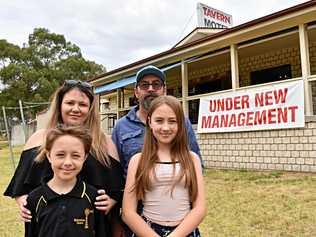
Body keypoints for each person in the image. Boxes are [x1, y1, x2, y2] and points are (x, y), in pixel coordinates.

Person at [4, 80, 124, 236]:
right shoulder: (39, 139)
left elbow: (118, 187)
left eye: (82, 104)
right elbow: (19, 187)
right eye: (70, 103)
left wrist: (111, 201)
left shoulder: (104, 142)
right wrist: (24, 203)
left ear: (90, 108)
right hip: (49, 225)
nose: (76, 109)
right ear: (60, 105)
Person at [122, 95, 206, 237]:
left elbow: (200, 208)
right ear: (150, 122)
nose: (165, 127)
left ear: (180, 123)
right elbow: (128, 212)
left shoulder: (192, 159)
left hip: (185, 231)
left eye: (172, 121)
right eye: (159, 121)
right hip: (147, 231)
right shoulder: (137, 160)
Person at [112, 65, 202, 176]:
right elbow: (114, 171)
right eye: (144, 85)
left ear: (164, 90)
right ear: (136, 92)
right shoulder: (121, 127)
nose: (150, 89)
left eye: (156, 84)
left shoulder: (182, 122)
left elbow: (196, 165)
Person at [25, 126, 107, 237]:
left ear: (85, 157)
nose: (68, 162)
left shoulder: (94, 197)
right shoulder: (34, 199)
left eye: (75, 156)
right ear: (49, 156)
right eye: (60, 155)